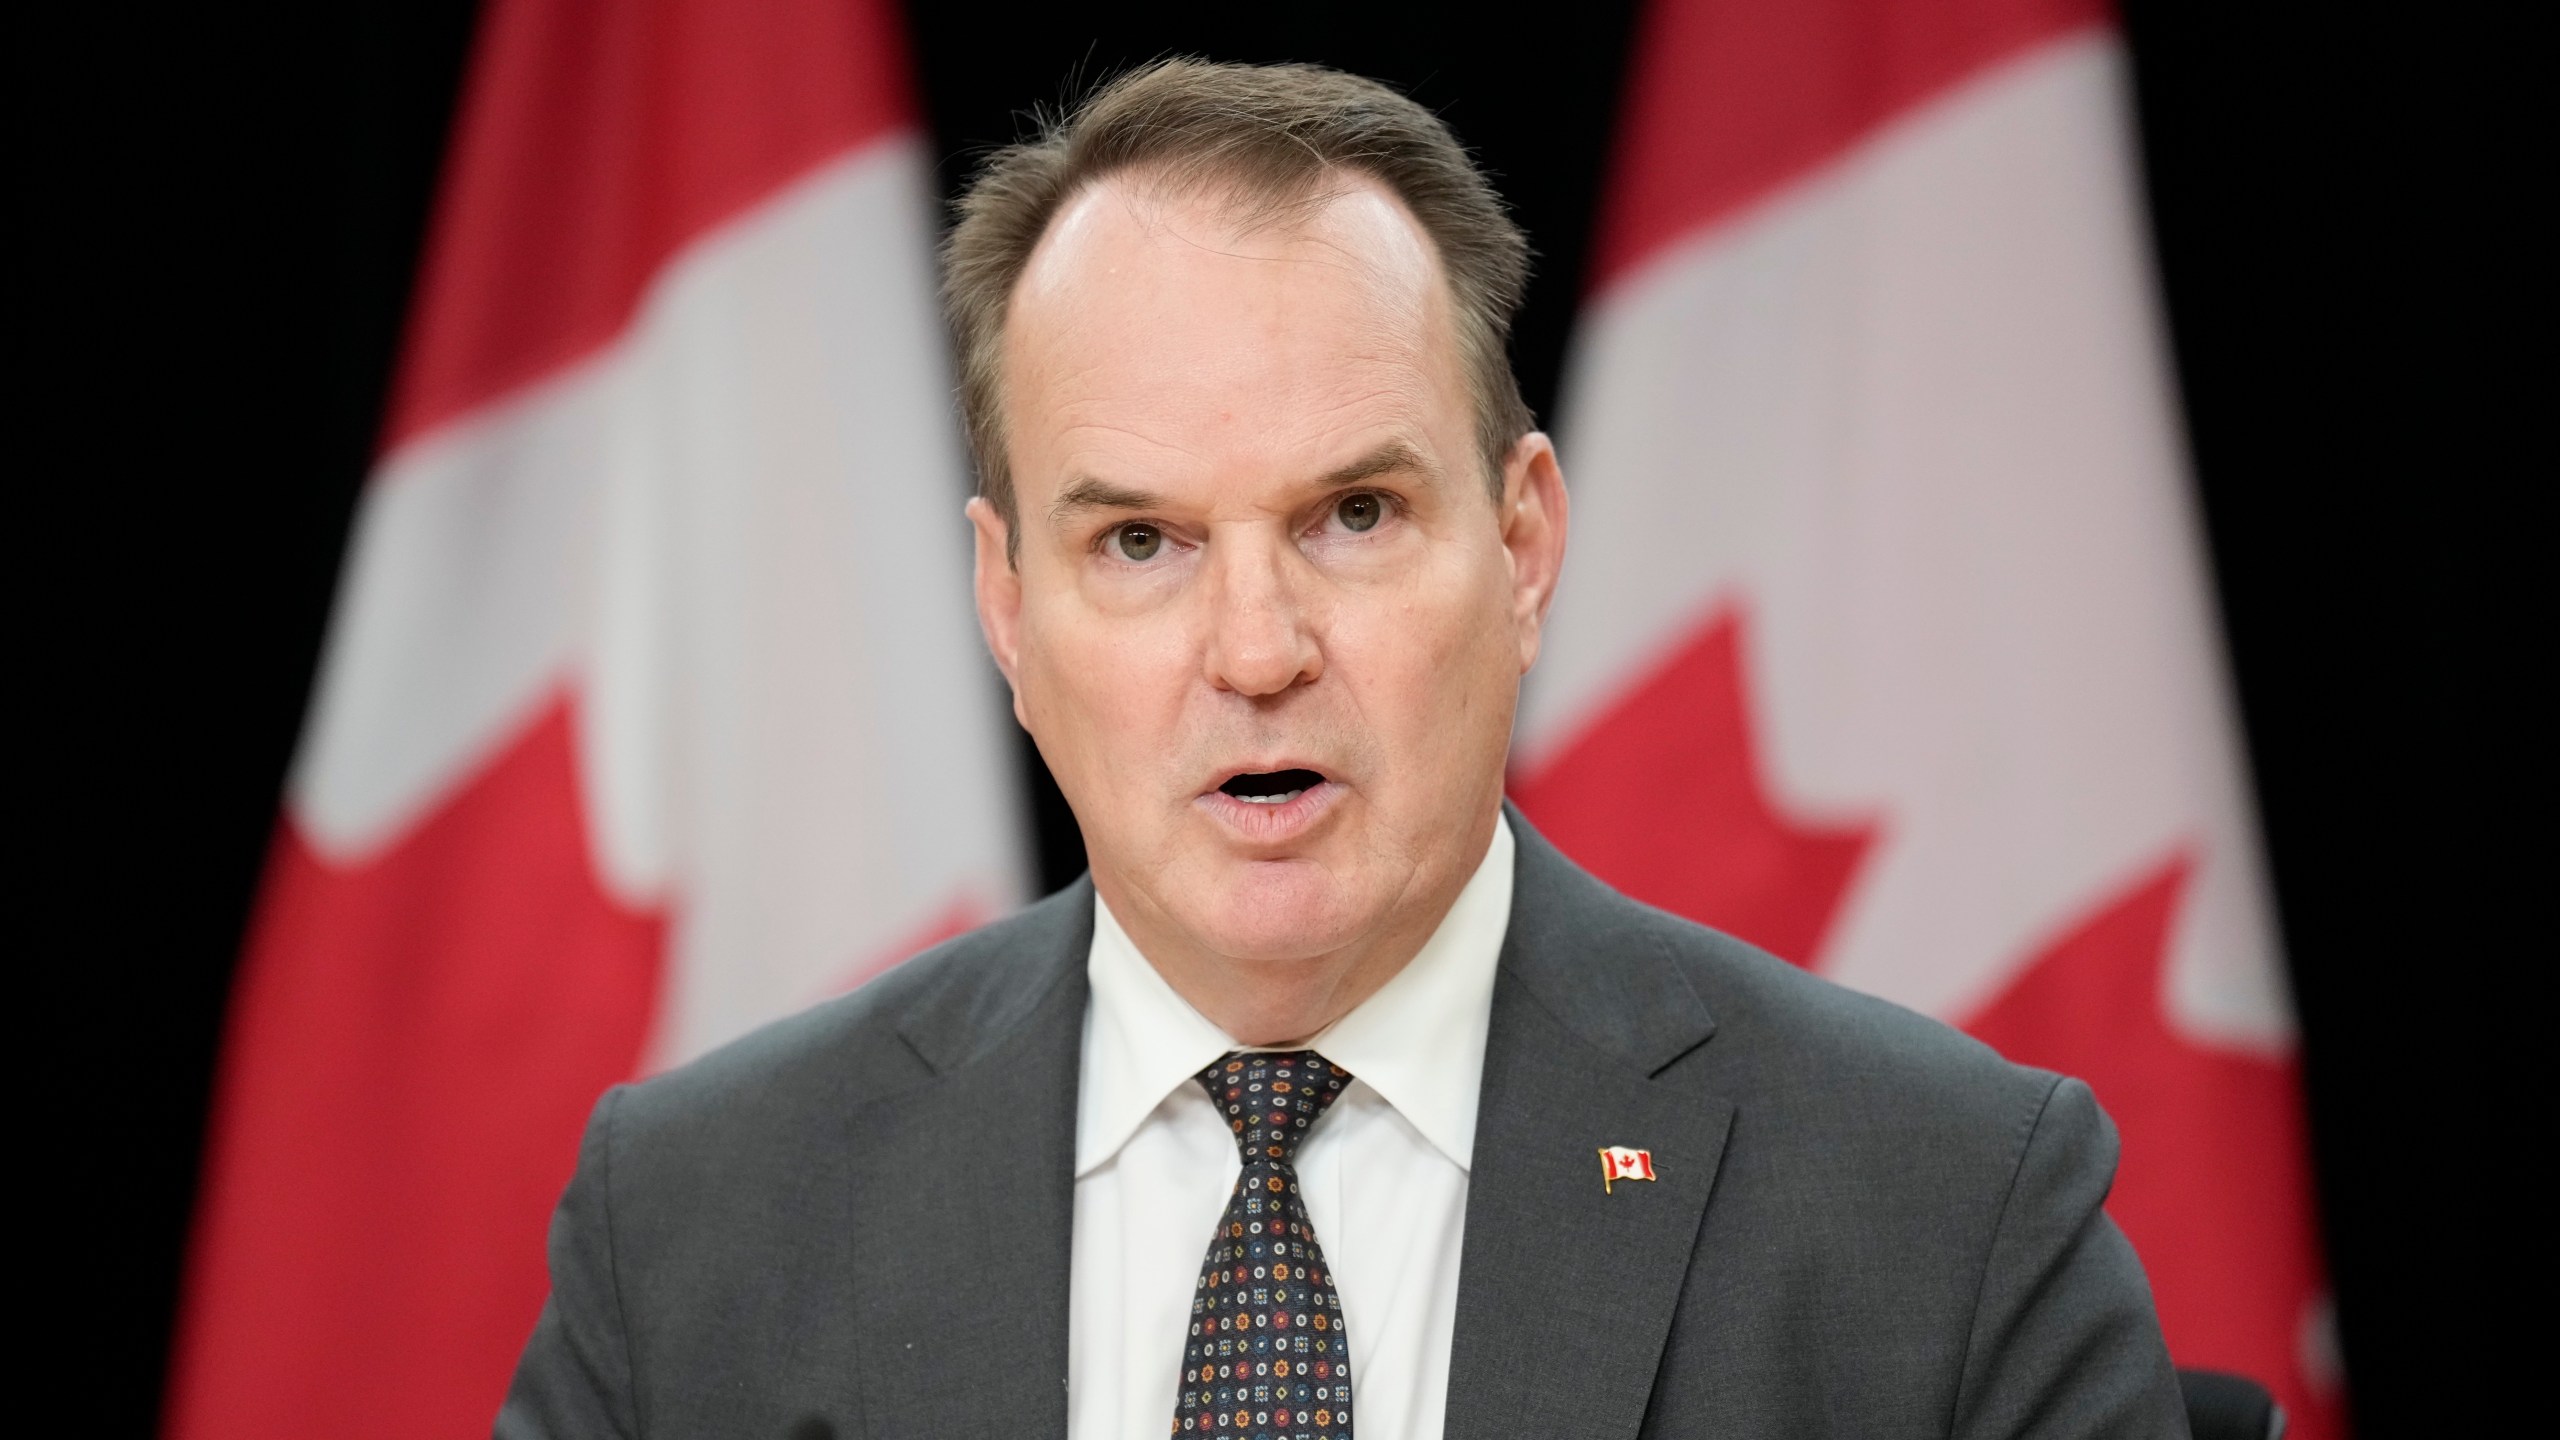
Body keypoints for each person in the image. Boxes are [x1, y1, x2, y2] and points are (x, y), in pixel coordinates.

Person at [499, 60, 2185, 1439]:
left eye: (1354, 514)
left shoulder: (1948, 1219)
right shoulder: (694, 1235)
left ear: (1522, 547)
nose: (1255, 651)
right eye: (1141, 543)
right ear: (1008, 610)